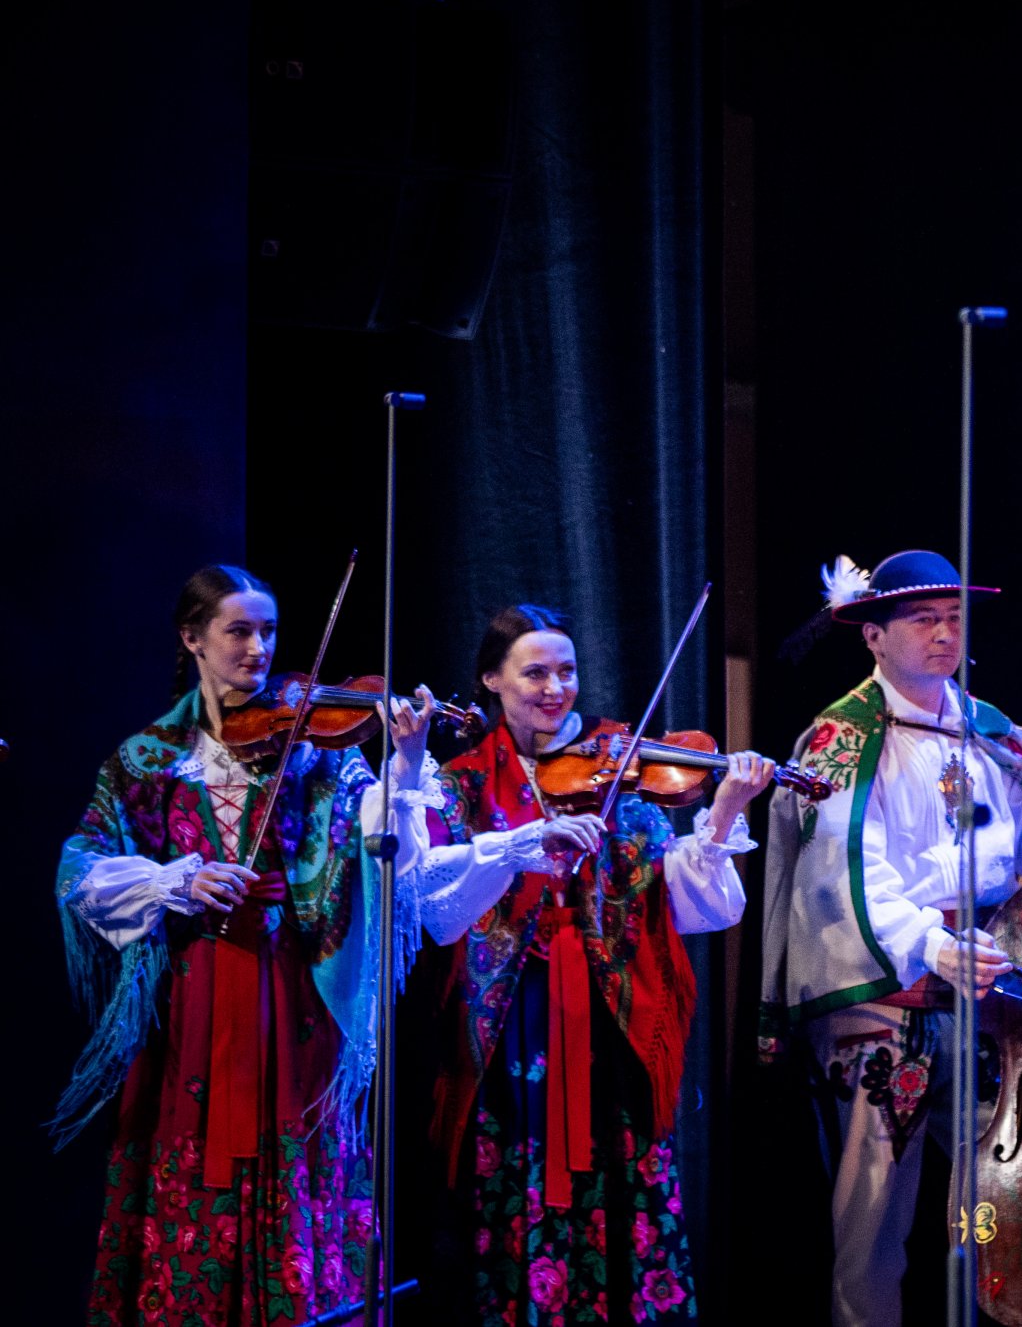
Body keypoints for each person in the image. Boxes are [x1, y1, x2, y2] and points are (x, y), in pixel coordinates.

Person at [55, 564, 441, 1324]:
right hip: (191, 1004)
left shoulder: (318, 748)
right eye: (239, 630)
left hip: (295, 998)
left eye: (268, 631)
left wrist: (406, 759)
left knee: (299, 1151)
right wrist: (176, 880)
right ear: (192, 638)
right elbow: (81, 868)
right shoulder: (148, 758)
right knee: (190, 1155)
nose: (259, 648)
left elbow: (383, 845)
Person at [415, 603, 775, 1324]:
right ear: (492, 679)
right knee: (515, 1183)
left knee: (621, 1177)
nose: (556, 688)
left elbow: (693, 905)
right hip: (512, 1025)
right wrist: (519, 847)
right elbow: (437, 908)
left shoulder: (621, 768)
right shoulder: (460, 783)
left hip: (611, 1019)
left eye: (567, 671)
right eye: (535, 673)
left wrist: (725, 812)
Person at [758, 550, 1022, 1327]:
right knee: (874, 1222)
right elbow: (847, 871)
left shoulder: (992, 731)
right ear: (874, 635)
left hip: (983, 995)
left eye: (953, 619)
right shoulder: (841, 739)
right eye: (923, 620)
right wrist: (933, 944)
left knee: (997, 1205)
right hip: (887, 993)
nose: (945, 633)